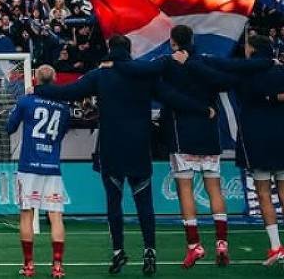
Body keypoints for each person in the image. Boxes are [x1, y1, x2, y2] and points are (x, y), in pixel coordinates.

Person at [34, 35, 212, 276]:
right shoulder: (144, 75)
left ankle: (118, 252)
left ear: (109, 49)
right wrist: (203, 109)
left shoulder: (101, 74)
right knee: (144, 205)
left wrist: (38, 89)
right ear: (130, 50)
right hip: (139, 148)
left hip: (111, 149)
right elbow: (173, 98)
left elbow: (68, 92)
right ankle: (150, 251)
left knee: (113, 204)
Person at [198, 34, 284, 265]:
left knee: (264, 193)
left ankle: (276, 246)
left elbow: (221, 73)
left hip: (256, 139)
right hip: (281, 137)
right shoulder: (279, 70)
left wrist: (199, 60)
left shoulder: (245, 74)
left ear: (252, 50)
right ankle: (276, 248)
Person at [160, 25, 231, 267]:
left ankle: (194, 246)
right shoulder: (206, 62)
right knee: (215, 189)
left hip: (183, 136)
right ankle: (222, 243)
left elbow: (164, 94)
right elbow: (224, 82)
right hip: (209, 133)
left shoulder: (170, 64)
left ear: (172, 42)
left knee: (186, 191)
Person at [6, 65, 71, 278]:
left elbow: (9, 127)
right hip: (52, 166)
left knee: (26, 215)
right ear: (55, 79)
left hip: (28, 167)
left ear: (35, 79)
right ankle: (58, 267)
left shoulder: (26, 100)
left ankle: (29, 266)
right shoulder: (63, 107)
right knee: (56, 216)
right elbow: (61, 134)